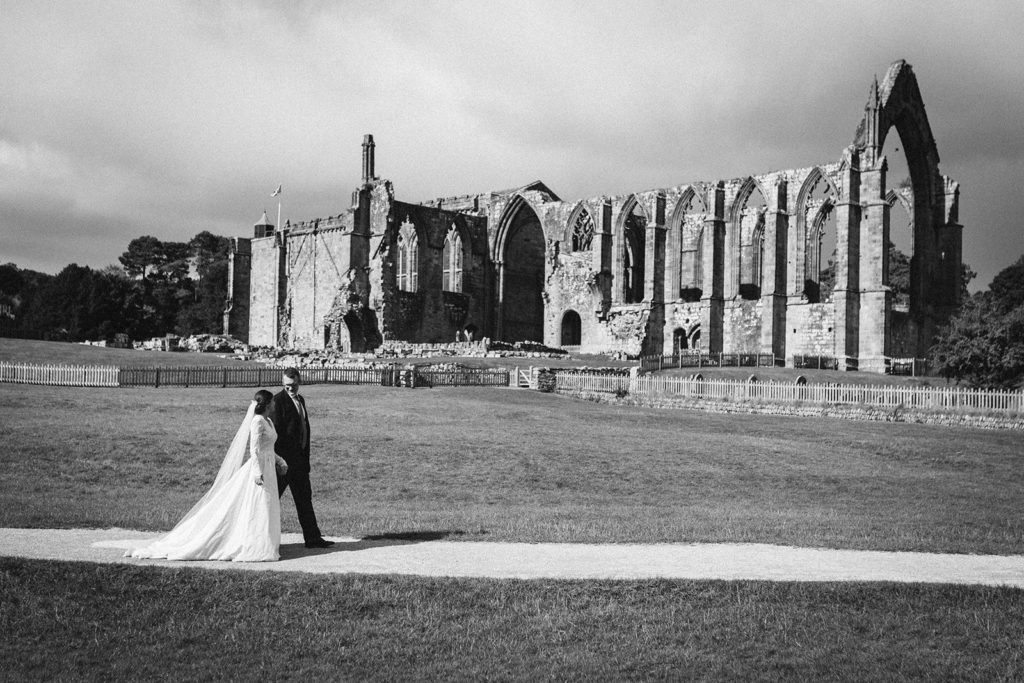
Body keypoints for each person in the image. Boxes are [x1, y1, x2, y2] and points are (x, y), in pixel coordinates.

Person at [129, 390, 285, 562]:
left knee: (267, 504)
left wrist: (280, 461)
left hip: (269, 466)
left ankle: (264, 541)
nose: (275, 405)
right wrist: (257, 472)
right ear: (268, 404)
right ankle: (254, 544)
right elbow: (254, 450)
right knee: (258, 503)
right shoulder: (257, 421)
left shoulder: (268, 421)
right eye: (273, 402)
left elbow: (268, 448)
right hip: (260, 468)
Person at [268, 368, 334, 549]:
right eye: (287, 386)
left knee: (305, 499)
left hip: (300, 463)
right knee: (271, 501)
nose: (290, 389)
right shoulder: (277, 402)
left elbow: (303, 430)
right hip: (283, 464)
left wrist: (305, 460)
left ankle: (313, 538)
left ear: (299, 382)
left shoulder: (301, 400)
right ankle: (261, 539)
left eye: (294, 385)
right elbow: (274, 435)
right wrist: (279, 462)